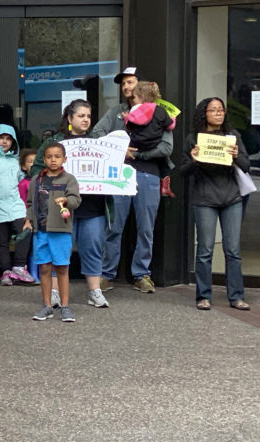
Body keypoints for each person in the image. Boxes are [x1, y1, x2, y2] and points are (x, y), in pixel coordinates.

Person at [92, 67, 173, 294]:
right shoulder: (116, 112)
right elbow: (96, 134)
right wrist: (119, 149)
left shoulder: (160, 111)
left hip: (149, 174)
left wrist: (137, 154)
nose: (127, 87)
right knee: (114, 227)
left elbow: (167, 147)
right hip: (118, 175)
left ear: (141, 86)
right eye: (123, 84)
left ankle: (141, 274)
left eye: (131, 83)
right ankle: (107, 274)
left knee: (146, 228)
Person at [34, 100, 112, 308]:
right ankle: (55, 293)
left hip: (92, 206)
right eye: (81, 116)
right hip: (60, 208)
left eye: (88, 116)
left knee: (93, 247)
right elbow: (36, 169)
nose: (86, 119)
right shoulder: (55, 142)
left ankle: (95, 292)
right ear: (70, 118)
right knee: (58, 251)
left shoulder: (98, 141)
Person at [177, 97, 250, 311]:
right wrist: (194, 160)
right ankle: (203, 296)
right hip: (205, 199)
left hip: (232, 198)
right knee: (205, 250)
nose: (219, 113)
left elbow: (246, 165)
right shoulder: (194, 139)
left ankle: (236, 297)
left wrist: (237, 156)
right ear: (204, 114)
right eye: (214, 110)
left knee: (233, 250)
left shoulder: (233, 136)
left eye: (221, 110)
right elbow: (182, 172)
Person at [26, 143, 81, 322]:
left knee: (62, 268)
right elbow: (30, 203)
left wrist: (66, 200)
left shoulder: (68, 179)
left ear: (64, 159)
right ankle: (47, 306)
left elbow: (76, 200)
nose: (53, 160)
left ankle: (65, 307)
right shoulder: (38, 180)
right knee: (44, 268)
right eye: (49, 157)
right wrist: (29, 220)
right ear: (44, 159)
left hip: (61, 230)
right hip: (41, 230)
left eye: (57, 156)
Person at [0, 125, 34, 285]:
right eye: (1, 138)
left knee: (25, 233)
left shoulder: (16, 160)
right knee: (1, 240)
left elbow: (23, 179)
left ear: (13, 142)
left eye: (8, 139)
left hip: (16, 204)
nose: (4, 141)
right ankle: (5, 271)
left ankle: (19, 266)